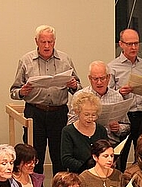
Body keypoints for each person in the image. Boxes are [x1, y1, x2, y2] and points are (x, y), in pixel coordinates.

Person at [10, 25, 80, 174]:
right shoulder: (25, 60)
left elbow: (79, 88)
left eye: (50, 42)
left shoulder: (65, 59)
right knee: (34, 157)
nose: (47, 46)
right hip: (35, 112)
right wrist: (22, 92)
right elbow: (13, 92)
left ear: (55, 41)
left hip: (59, 112)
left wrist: (74, 85)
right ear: (36, 41)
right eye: (43, 42)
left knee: (60, 157)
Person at [108, 28, 142, 171]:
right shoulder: (112, 67)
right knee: (120, 155)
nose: (134, 47)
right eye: (129, 44)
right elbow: (108, 95)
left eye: (136, 43)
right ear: (121, 44)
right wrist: (120, 92)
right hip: (124, 116)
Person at [68, 60, 130, 148]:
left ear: (108, 78)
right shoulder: (79, 96)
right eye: (95, 79)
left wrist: (118, 128)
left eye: (102, 78)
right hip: (85, 144)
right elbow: (70, 124)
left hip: (110, 144)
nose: (99, 82)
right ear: (89, 78)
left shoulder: (117, 97)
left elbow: (127, 126)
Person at [61, 92, 109, 173]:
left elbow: (106, 151)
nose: (90, 118)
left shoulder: (101, 130)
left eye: (93, 115)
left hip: (100, 174)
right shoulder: (68, 131)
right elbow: (66, 159)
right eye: (86, 114)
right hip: (78, 175)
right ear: (77, 112)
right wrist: (87, 168)